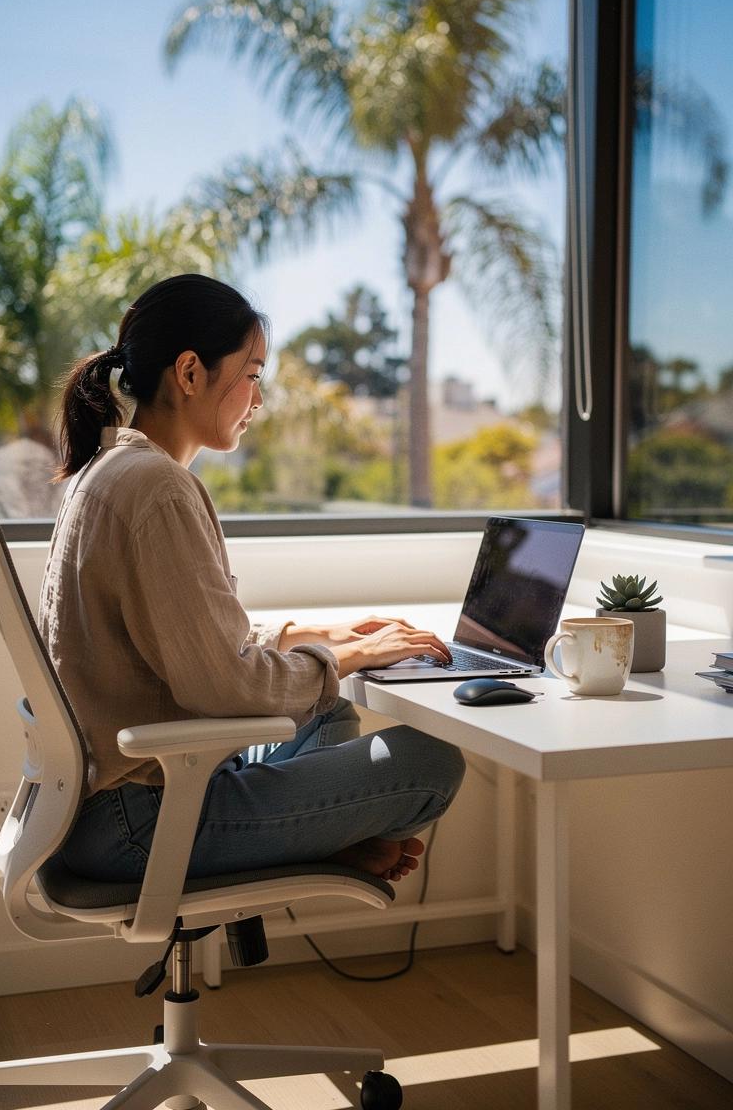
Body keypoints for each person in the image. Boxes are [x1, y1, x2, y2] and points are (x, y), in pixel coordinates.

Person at [42, 273, 465, 886]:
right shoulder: (156, 488)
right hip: (139, 822)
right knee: (430, 762)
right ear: (190, 373)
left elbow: (187, 638)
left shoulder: (110, 470)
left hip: (106, 803)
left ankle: (310, 839)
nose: (259, 400)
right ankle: (312, 840)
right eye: (253, 374)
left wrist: (317, 634)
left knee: (328, 716)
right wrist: (343, 658)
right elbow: (222, 684)